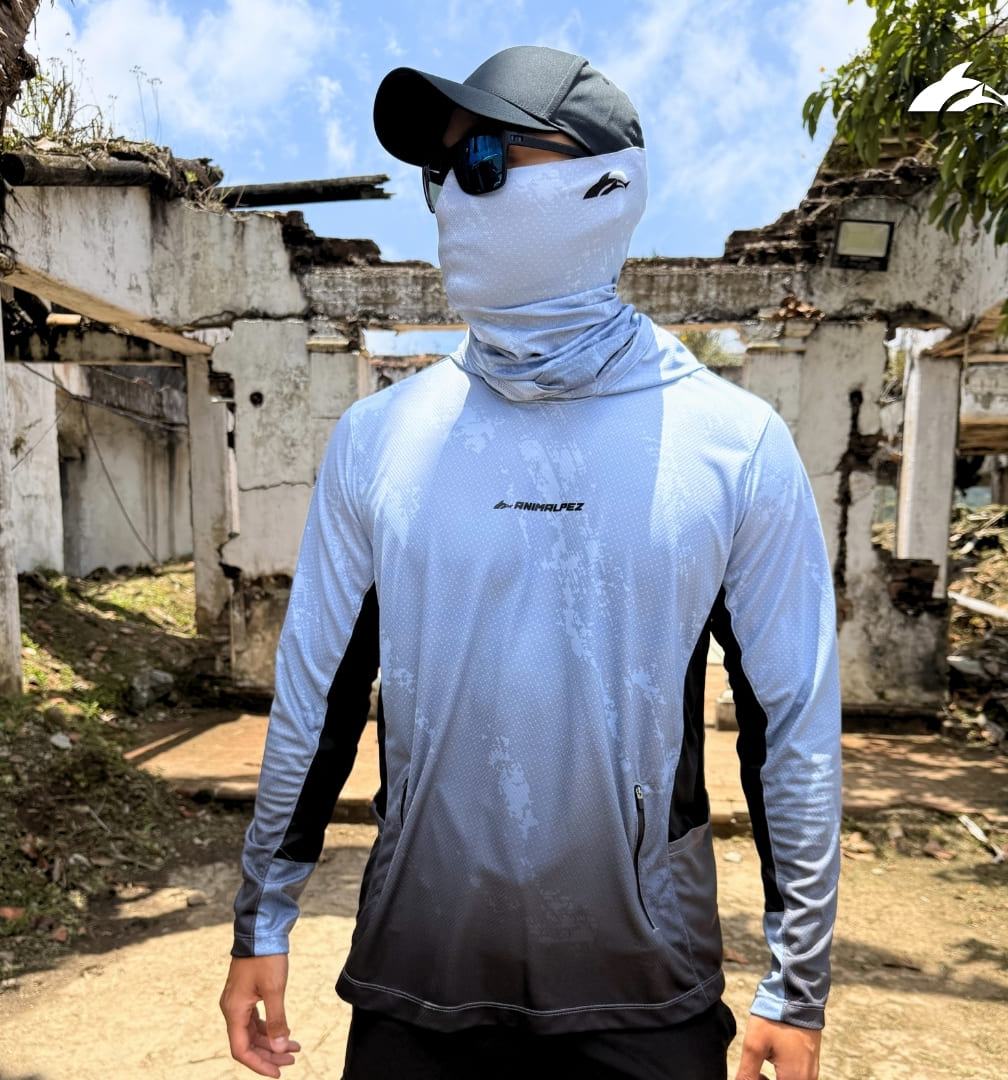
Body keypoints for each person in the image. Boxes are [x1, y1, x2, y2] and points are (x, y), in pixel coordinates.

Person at [219, 44, 841, 1080]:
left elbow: (792, 727)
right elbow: (315, 698)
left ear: (609, 184)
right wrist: (262, 920)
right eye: (443, 173)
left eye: (487, 162)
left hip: (643, 988)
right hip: (420, 977)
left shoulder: (733, 446)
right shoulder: (377, 440)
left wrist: (797, 980)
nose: (457, 201)